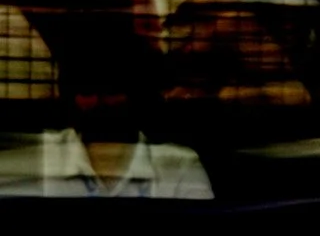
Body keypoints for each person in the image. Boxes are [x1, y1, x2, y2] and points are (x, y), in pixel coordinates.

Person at [0, 42, 211, 199]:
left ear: (137, 95)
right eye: (87, 90)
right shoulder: (35, 159)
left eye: (111, 91)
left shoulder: (178, 166)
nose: (99, 102)